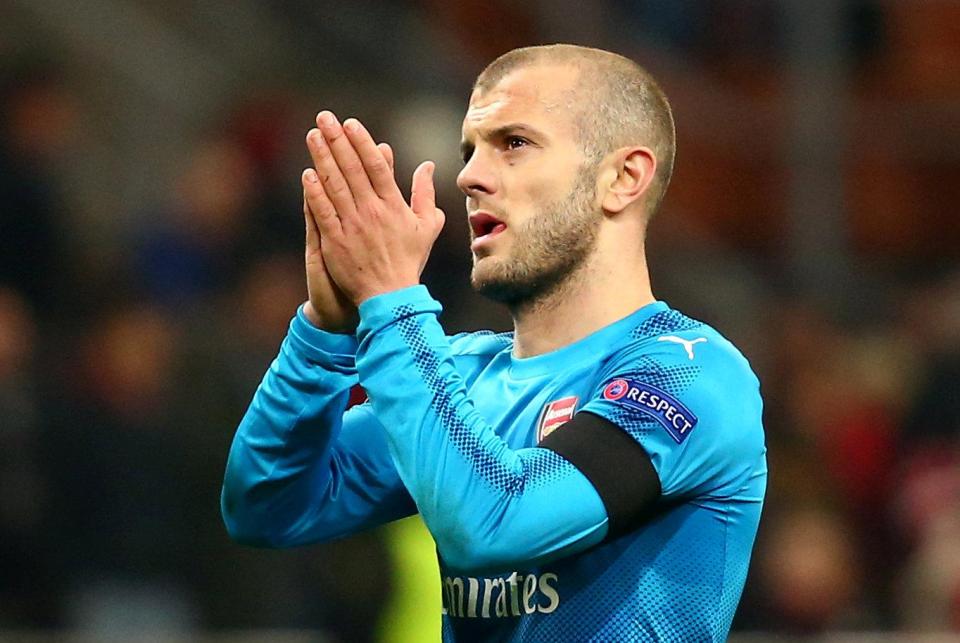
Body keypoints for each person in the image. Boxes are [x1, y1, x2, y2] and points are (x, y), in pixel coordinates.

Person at [222, 44, 767, 641]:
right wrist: (324, 337)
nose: (470, 176)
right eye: (470, 150)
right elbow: (266, 506)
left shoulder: (692, 375)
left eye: (514, 143)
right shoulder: (462, 376)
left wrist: (395, 301)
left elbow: (498, 522)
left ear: (622, 178)